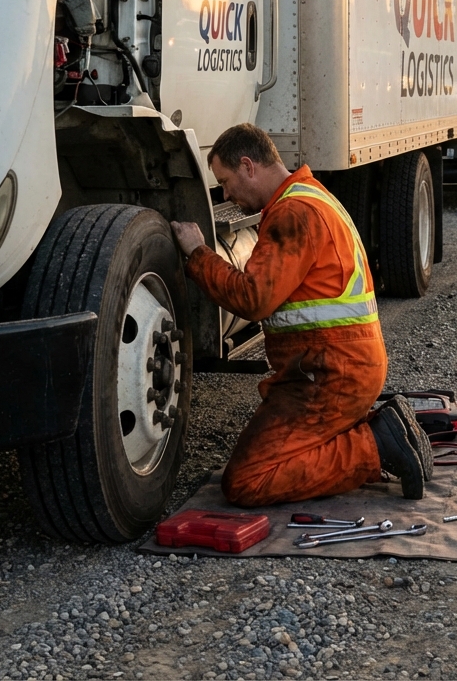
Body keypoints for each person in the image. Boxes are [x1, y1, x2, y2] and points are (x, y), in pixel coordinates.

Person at [170, 123, 433, 507]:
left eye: (225, 182)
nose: (225, 194)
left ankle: (375, 446)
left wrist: (198, 254)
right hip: (339, 367)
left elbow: (252, 298)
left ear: (249, 166)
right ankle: (375, 431)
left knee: (246, 480)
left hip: (330, 375)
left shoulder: (293, 213)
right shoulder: (310, 197)